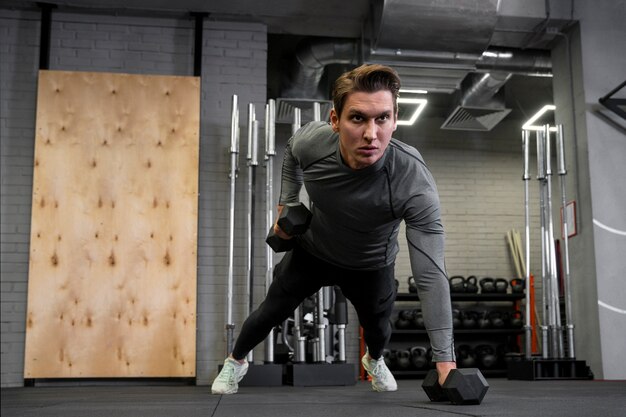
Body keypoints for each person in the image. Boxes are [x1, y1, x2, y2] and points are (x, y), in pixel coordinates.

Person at [211, 64, 456, 395]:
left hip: (371, 264)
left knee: (379, 329)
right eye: (358, 118)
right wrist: (287, 202)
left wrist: (445, 363)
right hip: (315, 251)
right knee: (270, 310)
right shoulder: (313, 143)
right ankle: (235, 363)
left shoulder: (412, 181)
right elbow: (291, 156)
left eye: (382, 118)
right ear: (335, 120)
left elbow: (430, 275)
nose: (371, 133)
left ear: (395, 120)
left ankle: (375, 360)